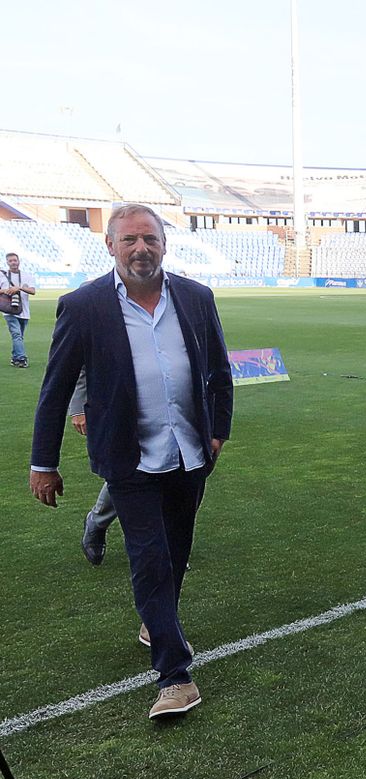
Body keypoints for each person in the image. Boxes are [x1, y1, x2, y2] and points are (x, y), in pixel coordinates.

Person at [29, 204, 231, 719]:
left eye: (150, 239)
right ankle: (175, 676)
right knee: (149, 557)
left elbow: (219, 371)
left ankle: (155, 621)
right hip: (127, 458)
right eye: (129, 240)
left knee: (176, 552)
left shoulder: (196, 297)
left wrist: (217, 433)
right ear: (111, 246)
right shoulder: (84, 306)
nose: (141, 249)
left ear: (164, 243)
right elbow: (55, 390)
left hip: (190, 453)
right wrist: (43, 463)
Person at [70, 369, 120, 566]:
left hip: (180, 404)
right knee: (129, 471)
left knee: (181, 471)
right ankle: (97, 521)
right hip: (121, 401)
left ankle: (172, 543)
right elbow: (80, 361)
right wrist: (78, 407)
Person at [3, 251, 37, 368]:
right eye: (10, 261)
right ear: (7, 262)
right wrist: (6, 290)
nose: (13, 263)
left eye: (15, 260)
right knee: (17, 334)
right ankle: (22, 358)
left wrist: (19, 288)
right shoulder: (2, 276)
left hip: (24, 311)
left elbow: (33, 291)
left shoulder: (27, 276)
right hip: (9, 310)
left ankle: (15, 358)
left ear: (19, 261)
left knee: (18, 337)